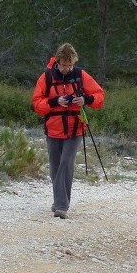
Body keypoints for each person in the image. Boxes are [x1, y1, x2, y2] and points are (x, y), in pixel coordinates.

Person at [31, 43, 105, 219]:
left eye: (70, 65)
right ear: (58, 62)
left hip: (75, 128)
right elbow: (37, 104)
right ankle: (58, 201)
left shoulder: (80, 75)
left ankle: (62, 207)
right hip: (53, 128)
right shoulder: (46, 78)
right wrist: (56, 102)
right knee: (55, 167)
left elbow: (99, 96)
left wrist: (85, 99)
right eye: (64, 65)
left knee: (66, 163)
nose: (67, 68)